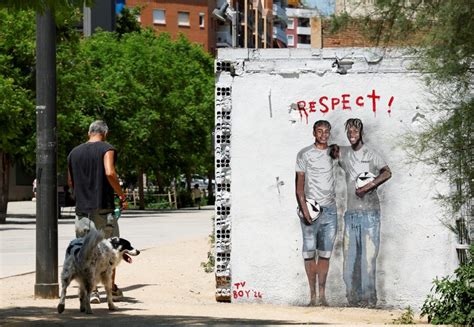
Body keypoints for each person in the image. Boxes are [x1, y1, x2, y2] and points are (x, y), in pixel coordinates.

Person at [67, 120, 129, 304]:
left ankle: (90, 290)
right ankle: (109, 289)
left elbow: (71, 182)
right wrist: (122, 195)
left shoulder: (73, 153)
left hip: (81, 212)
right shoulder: (107, 149)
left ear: (89, 133)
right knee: (110, 251)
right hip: (103, 209)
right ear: (105, 133)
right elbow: (110, 173)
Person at [333, 118, 392, 308]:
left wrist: (368, 186)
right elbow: (327, 152)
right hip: (351, 215)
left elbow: (387, 172)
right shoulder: (343, 153)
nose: (352, 135)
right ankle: (353, 299)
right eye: (349, 132)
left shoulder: (371, 154)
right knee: (349, 261)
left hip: (370, 214)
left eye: (355, 132)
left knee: (368, 260)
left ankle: (369, 300)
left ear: (361, 133)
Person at [295, 120, 338, 306]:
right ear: (314, 132)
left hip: (330, 211)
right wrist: (306, 212)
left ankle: (322, 295)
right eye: (319, 131)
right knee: (309, 253)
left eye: (326, 131)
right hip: (311, 210)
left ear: (329, 133)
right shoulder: (304, 154)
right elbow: (299, 188)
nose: (323, 134)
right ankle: (312, 296)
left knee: (325, 254)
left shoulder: (334, 153)